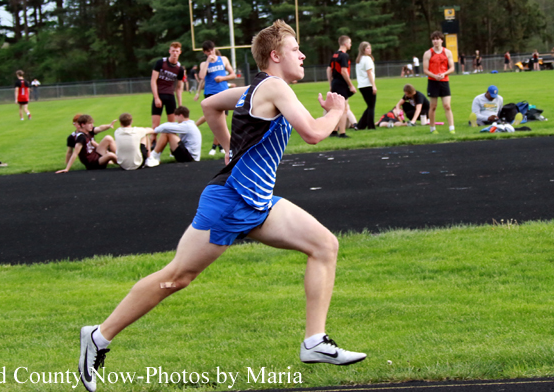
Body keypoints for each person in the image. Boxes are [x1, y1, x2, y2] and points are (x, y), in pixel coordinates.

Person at [77, 20, 365, 392]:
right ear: (275, 55)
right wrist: (336, 111)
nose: (303, 55)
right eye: (296, 49)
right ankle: (98, 336)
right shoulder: (274, 86)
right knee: (177, 277)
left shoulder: (258, 88)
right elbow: (312, 133)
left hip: (258, 201)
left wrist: (230, 148)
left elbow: (211, 105)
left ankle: (314, 342)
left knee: (324, 245)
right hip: (230, 201)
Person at [194, 41, 236, 156]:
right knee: (215, 119)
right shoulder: (204, 64)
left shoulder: (223, 59)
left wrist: (223, 78)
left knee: (222, 121)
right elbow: (201, 76)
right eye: (208, 51)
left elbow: (233, 74)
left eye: (211, 50)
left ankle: (217, 146)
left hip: (223, 91)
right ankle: (218, 146)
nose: (210, 53)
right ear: (205, 52)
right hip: (211, 92)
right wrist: (208, 61)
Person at [422, 31, 455, 134]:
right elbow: (425, 70)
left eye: (437, 39)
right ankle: (432, 128)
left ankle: (451, 128)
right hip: (433, 82)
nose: (435, 41)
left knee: (447, 105)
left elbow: (452, 68)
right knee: (433, 106)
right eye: (433, 39)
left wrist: (444, 74)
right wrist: (434, 76)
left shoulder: (447, 52)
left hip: (444, 81)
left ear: (442, 40)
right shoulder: (428, 53)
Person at [150, 42, 186, 130]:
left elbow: (179, 88)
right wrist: (156, 98)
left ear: (180, 52)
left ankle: (171, 139)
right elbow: (153, 80)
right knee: (155, 126)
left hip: (170, 96)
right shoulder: (161, 63)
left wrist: (180, 105)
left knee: (172, 126)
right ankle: (153, 139)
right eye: (173, 51)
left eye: (177, 51)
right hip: (159, 94)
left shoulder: (180, 69)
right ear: (169, 51)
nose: (175, 53)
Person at [326, 35, 356, 138]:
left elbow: (329, 69)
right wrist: (351, 85)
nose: (351, 45)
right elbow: (344, 71)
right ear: (345, 44)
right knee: (344, 109)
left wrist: (330, 83)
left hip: (335, 83)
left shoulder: (334, 55)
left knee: (336, 108)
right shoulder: (344, 56)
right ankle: (342, 132)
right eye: (350, 43)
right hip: (341, 84)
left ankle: (334, 131)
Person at [355, 41, 376, 130]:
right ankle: (371, 126)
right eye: (367, 48)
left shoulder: (359, 60)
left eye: (370, 48)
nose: (370, 50)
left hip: (361, 86)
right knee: (371, 107)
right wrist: (373, 85)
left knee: (369, 106)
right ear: (363, 50)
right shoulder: (367, 59)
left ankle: (361, 125)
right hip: (368, 85)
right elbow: (369, 73)